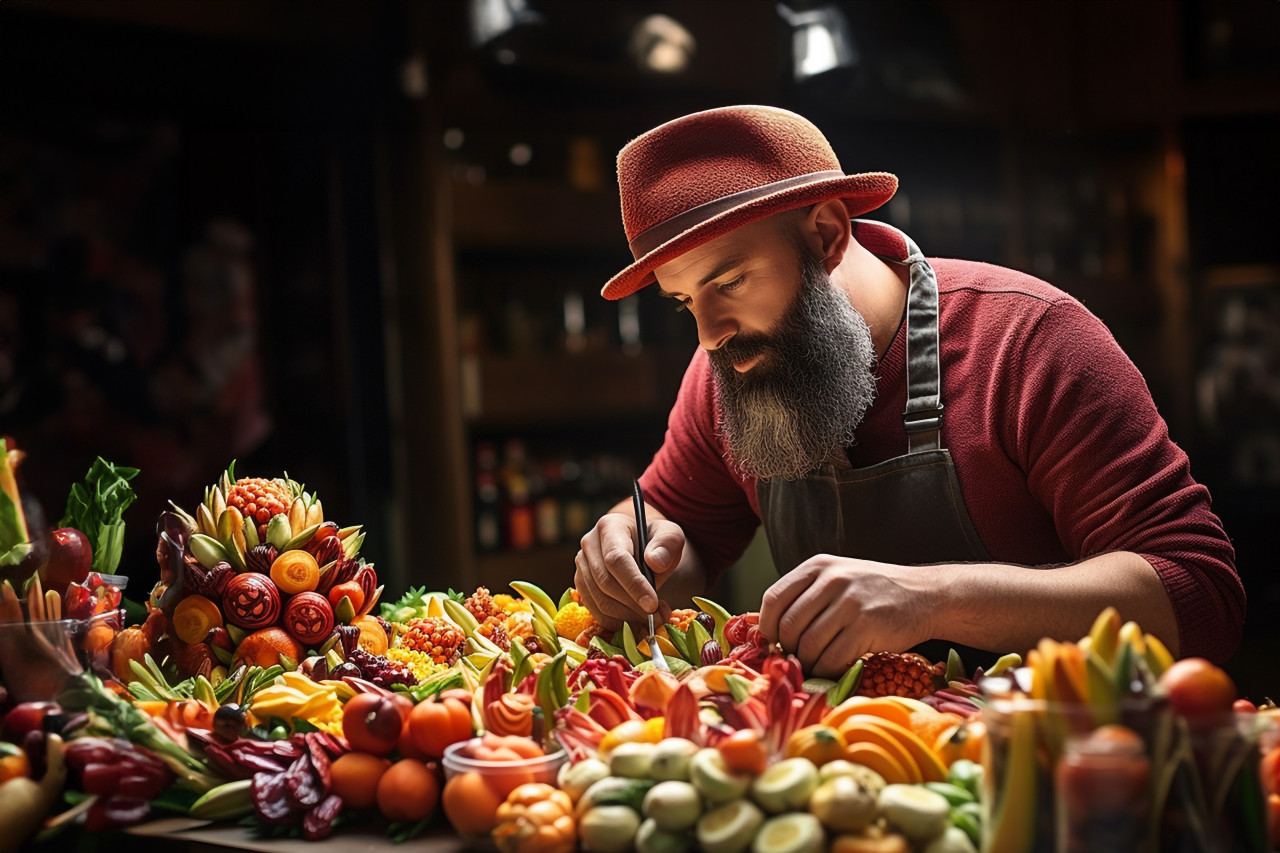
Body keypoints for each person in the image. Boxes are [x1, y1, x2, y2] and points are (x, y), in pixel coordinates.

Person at [573, 105, 1244, 678]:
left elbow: (1201, 597)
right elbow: (684, 534)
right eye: (685, 301)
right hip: (853, 775)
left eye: (731, 282)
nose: (709, 335)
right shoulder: (733, 366)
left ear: (829, 235)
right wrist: (639, 554)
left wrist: (934, 596)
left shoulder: (1028, 341)